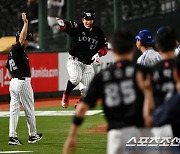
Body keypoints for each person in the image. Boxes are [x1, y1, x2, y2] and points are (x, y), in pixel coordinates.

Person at [63, 29, 153, 154]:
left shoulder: (103, 76)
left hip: (115, 136)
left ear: (114, 50)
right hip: (140, 133)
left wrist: (71, 136)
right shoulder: (143, 72)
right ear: (133, 49)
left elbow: (82, 107)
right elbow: (154, 104)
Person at [56, 10, 108, 108]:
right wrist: (62, 25)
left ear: (94, 20)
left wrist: (98, 54)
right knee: (75, 78)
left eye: (90, 19)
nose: (88, 22)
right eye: (86, 19)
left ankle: (79, 103)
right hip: (74, 61)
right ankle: (66, 96)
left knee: (88, 91)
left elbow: (104, 47)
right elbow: (67, 27)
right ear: (82, 20)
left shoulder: (98, 32)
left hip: (88, 64)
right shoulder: (78, 28)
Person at [6, 13, 42, 145]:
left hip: (14, 82)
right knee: (29, 109)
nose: (28, 41)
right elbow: (21, 38)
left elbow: (8, 68)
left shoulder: (12, 53)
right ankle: (32, 135)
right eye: (28, 39)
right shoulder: (17, 49)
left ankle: (12, 137)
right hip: (22, 82)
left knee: (14, 110)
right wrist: (26, 23)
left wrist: (14, 78)